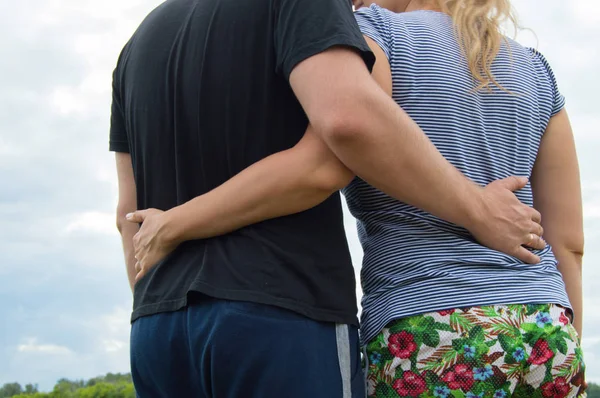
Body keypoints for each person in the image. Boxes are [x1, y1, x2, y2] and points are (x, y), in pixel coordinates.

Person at [113, 0, 547, 396]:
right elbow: (336, 139)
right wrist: (476, 207)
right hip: (281, 311)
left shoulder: (137, 44)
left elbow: (127, 215)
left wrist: (153, 297)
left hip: (157, 329)